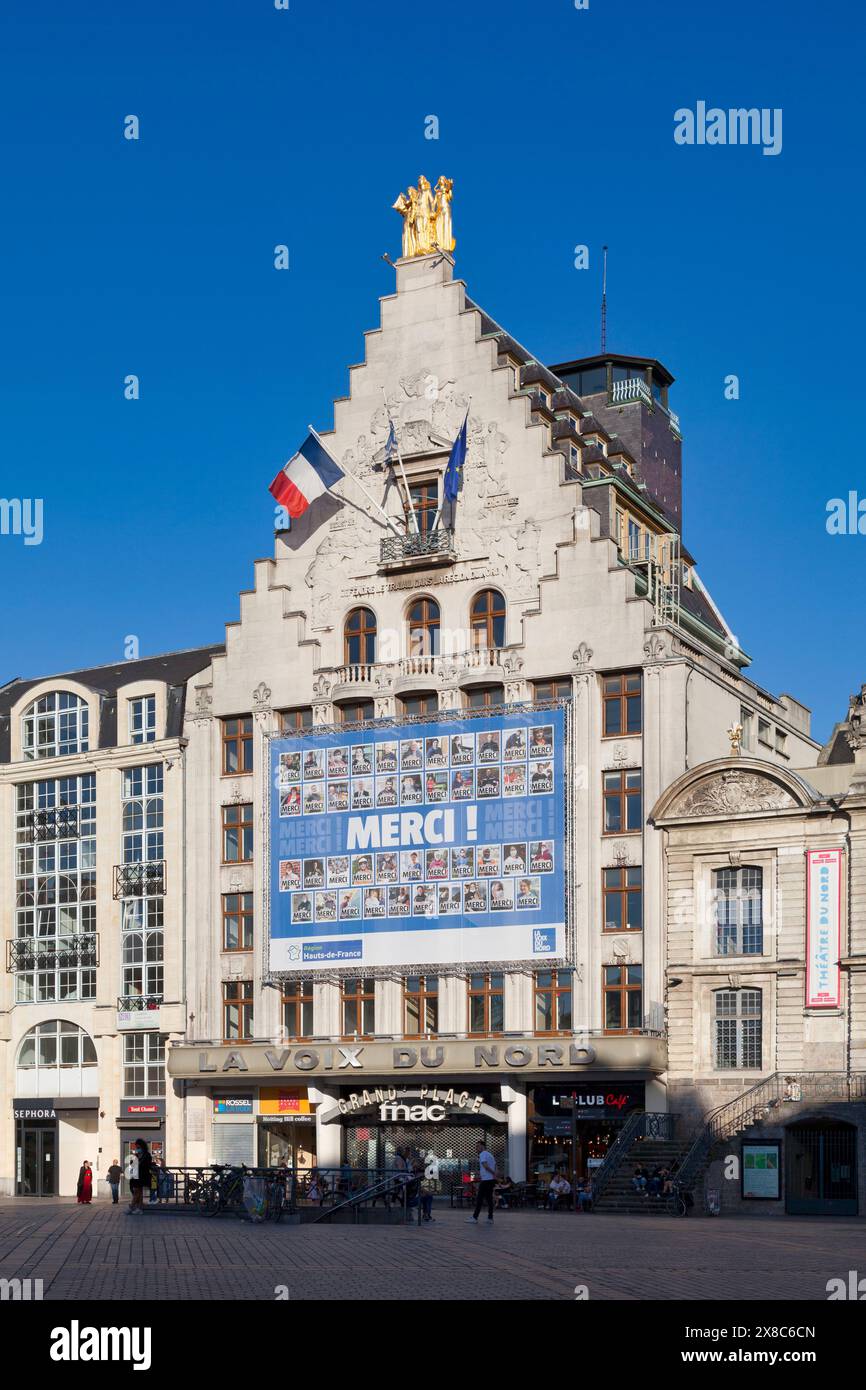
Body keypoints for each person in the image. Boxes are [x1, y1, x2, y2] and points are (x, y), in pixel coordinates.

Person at [467, 1140, 496, 1224]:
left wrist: (493, 1173)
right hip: (490, 1180)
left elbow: (486, 1166)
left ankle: (475, 1217)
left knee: (479, 1199)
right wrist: (493, 1174)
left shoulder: (482, 1154)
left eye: (478, 1146)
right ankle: (490, 1218)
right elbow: (494, 1166)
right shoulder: (490, 1155)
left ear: (482, 1146)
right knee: (489, 1199)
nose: (476, 1148)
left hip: (486, 1181)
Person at [127, 1139, 152, 1214]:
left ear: (142, 1146)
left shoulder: (147, 1155)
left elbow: (147, 1165)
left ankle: (131, 1206)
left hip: (142, 1175)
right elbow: (131, 1164)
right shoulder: (136, 1155)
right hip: (135, 1176)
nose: (137, 1148)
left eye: (138, 1147)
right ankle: (139, 1208)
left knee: (137, 1191)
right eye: (136, 1147)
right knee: (139, 1191)